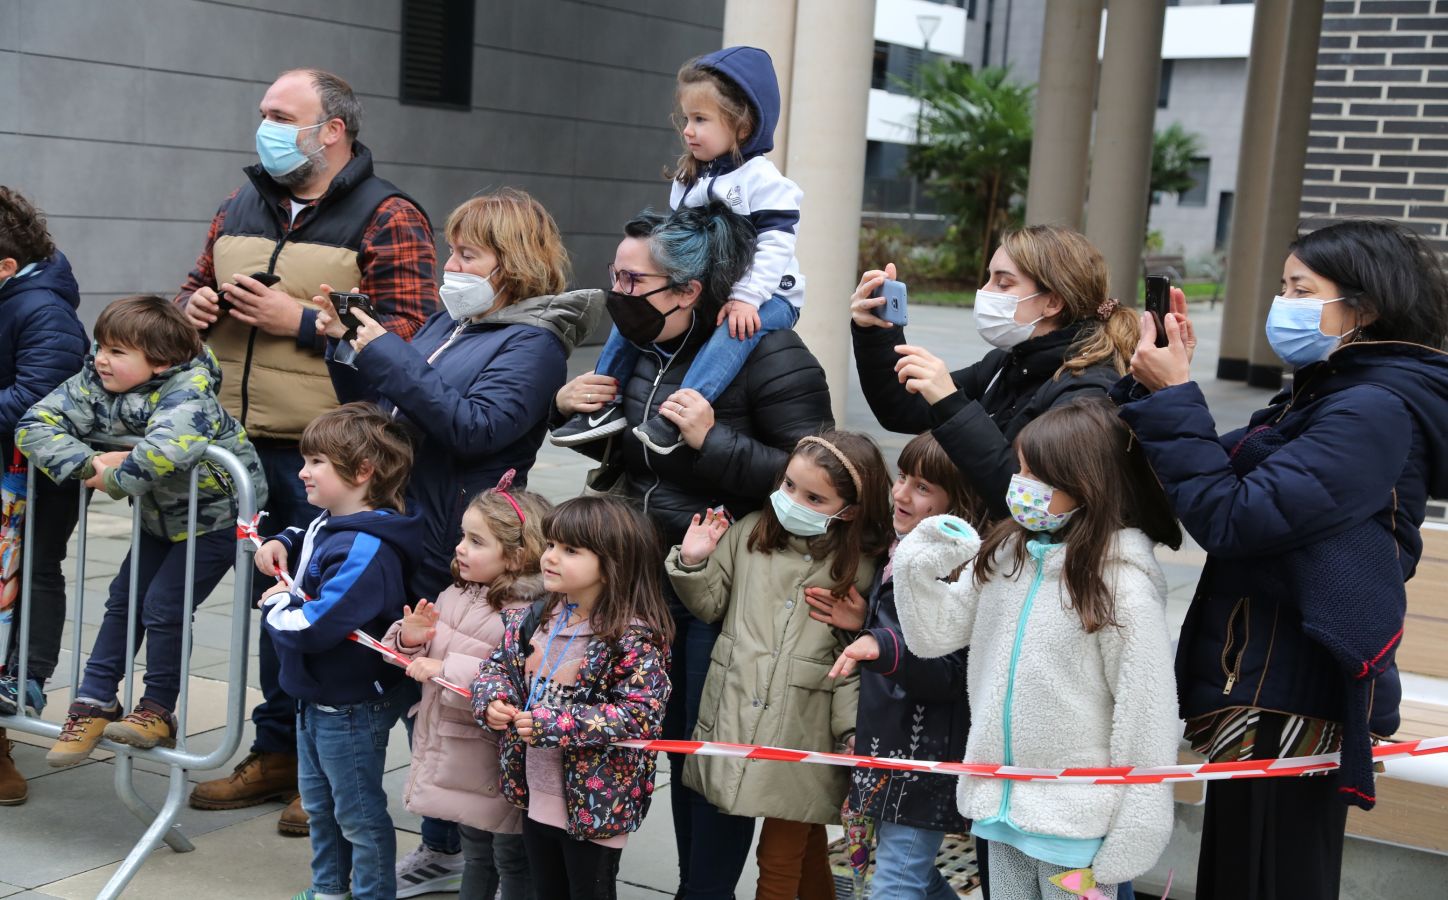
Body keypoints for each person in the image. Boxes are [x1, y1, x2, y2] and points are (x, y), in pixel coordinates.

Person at [1117, 219, 1448, 900]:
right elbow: (1207, 468)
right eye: (1281, 287)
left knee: (1266, 877)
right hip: (1265, 675)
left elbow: (1234, 518)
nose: (1283, 303)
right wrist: (1157, 390)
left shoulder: (1372, 409)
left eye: (1301, 289)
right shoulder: (1325, 392)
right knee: (1244, 871)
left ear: (1363, 307)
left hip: (1294, 689)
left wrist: (1177, 397)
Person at [549, 202, 833, 898]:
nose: (619, 295)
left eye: (633, 281)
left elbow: (818, 481)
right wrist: (571, 406)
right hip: (646, 584)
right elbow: (644, 462)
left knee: (709, 762)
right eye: (614, 276)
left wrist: (714, 440)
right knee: (672, 750)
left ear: (688, 291)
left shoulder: (772, 355)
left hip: (726, 593)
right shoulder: (648, 346)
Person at [179, 67, 435, 836]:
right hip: (228, 442)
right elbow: (192, 284)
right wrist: (190, 304)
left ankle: (317, 769)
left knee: (323, 609)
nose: (263, 124)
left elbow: (413, 336)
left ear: (332, 130)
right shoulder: (240, 203)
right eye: (262, 111)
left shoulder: (388, 215)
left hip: (320, 454)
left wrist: (302, 321)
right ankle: (274, 752)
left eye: (280, 114)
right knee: (263, 607)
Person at [890, 398, 1183, 899]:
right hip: (1002, 809)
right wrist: (918, 562)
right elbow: (932, 635)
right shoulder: (1009, 552)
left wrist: (1137, 828)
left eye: (1035, 474)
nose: (1018, 482)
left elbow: (1146, 714)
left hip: (1077, 827)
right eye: (1021, 467)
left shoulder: (1121, 586)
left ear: (1084, 483)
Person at [16, 296, 267, 766]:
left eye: (117, 351)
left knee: (164, 606)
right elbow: (33, 425)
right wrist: (89, 462)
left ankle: (157, 711)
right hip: (160, 517)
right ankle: (93, 701)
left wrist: (113, 475)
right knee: (123, 599)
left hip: (215, 520)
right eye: (101, 346)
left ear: (161, 363)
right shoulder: (95, 381)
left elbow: (157, 455)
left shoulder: (189, 394)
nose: (100, 359)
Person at [319, 187, 602, 603]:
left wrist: (386, 351)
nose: (449, 266)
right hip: (400, 514)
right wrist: (349, 347)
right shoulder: (446, 323)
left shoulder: (534, 345)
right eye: (451, 251)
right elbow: (383, 408)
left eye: (467, 255)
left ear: (513, 265)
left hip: (450, 536)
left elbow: (474, 429)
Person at [666, 431, 892, 899]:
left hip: (804, 728)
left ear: (848, 510)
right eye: (789, 486)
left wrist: (850, 731)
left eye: (813, 497)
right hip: (734, 718)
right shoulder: (750, 531)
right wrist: (691, 563)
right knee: (790, 844)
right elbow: (711, 605)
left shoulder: (863, 566)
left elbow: (852, 664)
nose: (792, 501)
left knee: (781, 856)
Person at [551, 46, 804, 455]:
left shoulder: (763, 181)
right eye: (686, 118)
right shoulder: (692, 177)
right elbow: (674, 242)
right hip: (711, 289)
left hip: (769, 295)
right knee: (631, 313)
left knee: (734, 332)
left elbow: (776, 245)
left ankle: (676, 415)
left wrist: (746, 299)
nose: (688, 130)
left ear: (743, 126)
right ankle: (602, 403)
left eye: (701, 120)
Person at [852, 225, 1138, 519]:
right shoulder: (1008, 362)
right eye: (989, 278)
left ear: (1053, 302)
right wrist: (875, 332)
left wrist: (952, 405)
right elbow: (901, 409)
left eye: (1003, 284)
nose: (984, 292)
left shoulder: (1087, 391)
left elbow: (1027, 505)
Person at [256, 403, 421, 900]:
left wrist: (276, 605)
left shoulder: (366, 547)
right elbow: (312, 537)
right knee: (320, 804)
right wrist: (282, 538)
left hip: (348, 704)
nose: (302, 472)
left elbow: (313, 625)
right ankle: (329, 889)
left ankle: (370, 894)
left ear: (363, 471)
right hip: (318, 694)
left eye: (315, 463)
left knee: (358, 813)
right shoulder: (333, 522)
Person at [476, 496, 674, 900]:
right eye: (550, 544)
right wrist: (493, 700)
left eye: (570, 550)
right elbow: (496, 669)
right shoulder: (534, 619)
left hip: (597, 802)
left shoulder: (632, 638)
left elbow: (640, 714)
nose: (550, 557)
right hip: (535, 790)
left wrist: (556, 723)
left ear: (613, 562)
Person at [817, 432, 984, 900]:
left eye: (923, 487)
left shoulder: (960, 573)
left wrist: (881, 644)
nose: (901, 493)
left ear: (959, 503)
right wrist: (867, 620)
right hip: (892, 748)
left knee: (896, 881)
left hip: (923, 756)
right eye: (903, 477)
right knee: (910, 875)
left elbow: (949, 674)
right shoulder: (901, 551)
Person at [381, 476, 551, 900]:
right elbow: (399, 654)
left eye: (476, 541)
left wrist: (445, 665)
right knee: (476, 853)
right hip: (459, 751)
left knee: (512, 858)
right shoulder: (456, 593)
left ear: (516, 556)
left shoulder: (529, 613)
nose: (460, 547)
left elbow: (521, 680)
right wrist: (410, 637)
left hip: (498, 758)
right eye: (463, 535)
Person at [0, 187, 87, 736]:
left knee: (32, 570)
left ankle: (23, 677)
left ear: (7, 265)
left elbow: (36, 397)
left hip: (35, 479)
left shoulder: (42, 308)